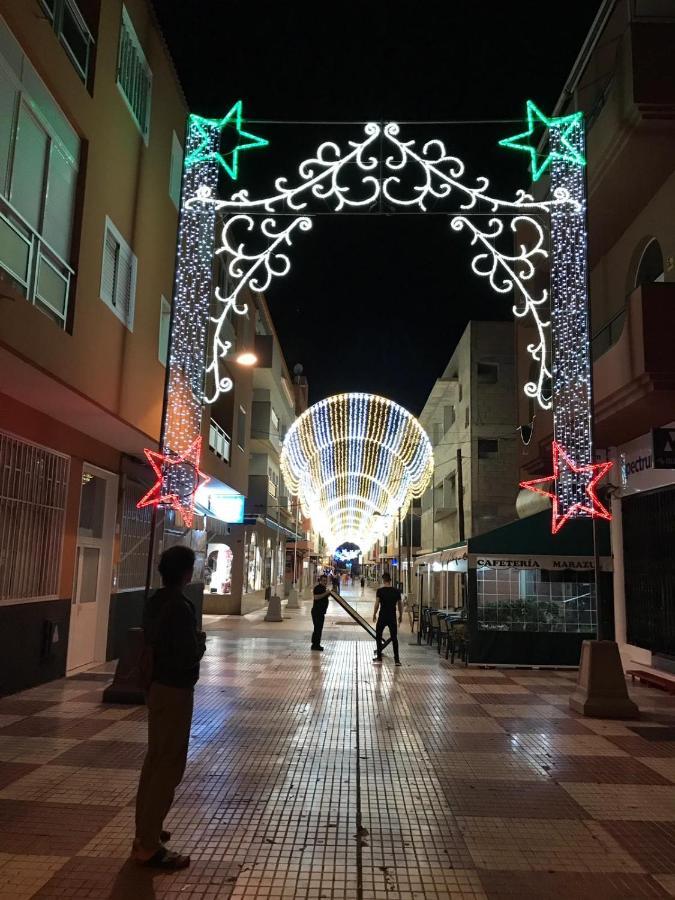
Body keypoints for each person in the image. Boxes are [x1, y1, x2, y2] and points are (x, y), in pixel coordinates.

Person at [132, 545, 206, 869]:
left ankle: (146, 830)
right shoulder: (181, 607)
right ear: (186, 573)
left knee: (154, 760)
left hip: (156, 688)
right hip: (175, 691)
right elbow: (188, 655)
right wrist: (200, 643)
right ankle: (148, 845)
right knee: (169, 766)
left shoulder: (155, 602)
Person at [372, 572, 403, 666]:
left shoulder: (380, 591)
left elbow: (377, 604)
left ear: (383, 580)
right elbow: (400, 604)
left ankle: (379, 657)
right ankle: (397, 660)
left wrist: (374, 614)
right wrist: (400, 615)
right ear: (390, 580)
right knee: (394, 638)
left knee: (378, 636)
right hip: (392, 616)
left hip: (382, 616)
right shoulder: (396, 591)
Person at [312, 573, 331, 651]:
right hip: (317, 612)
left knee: (318, 628)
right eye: (323, 580)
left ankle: (314, 644)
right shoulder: (317, 588)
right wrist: (326, 593)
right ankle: (316, 645)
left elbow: (323, 597)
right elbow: (316, 597)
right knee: (318, 628)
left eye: (326, 581)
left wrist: (328, 594)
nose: (325, 582)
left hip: (321, 612)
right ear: (320, 581)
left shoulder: (323, 588)